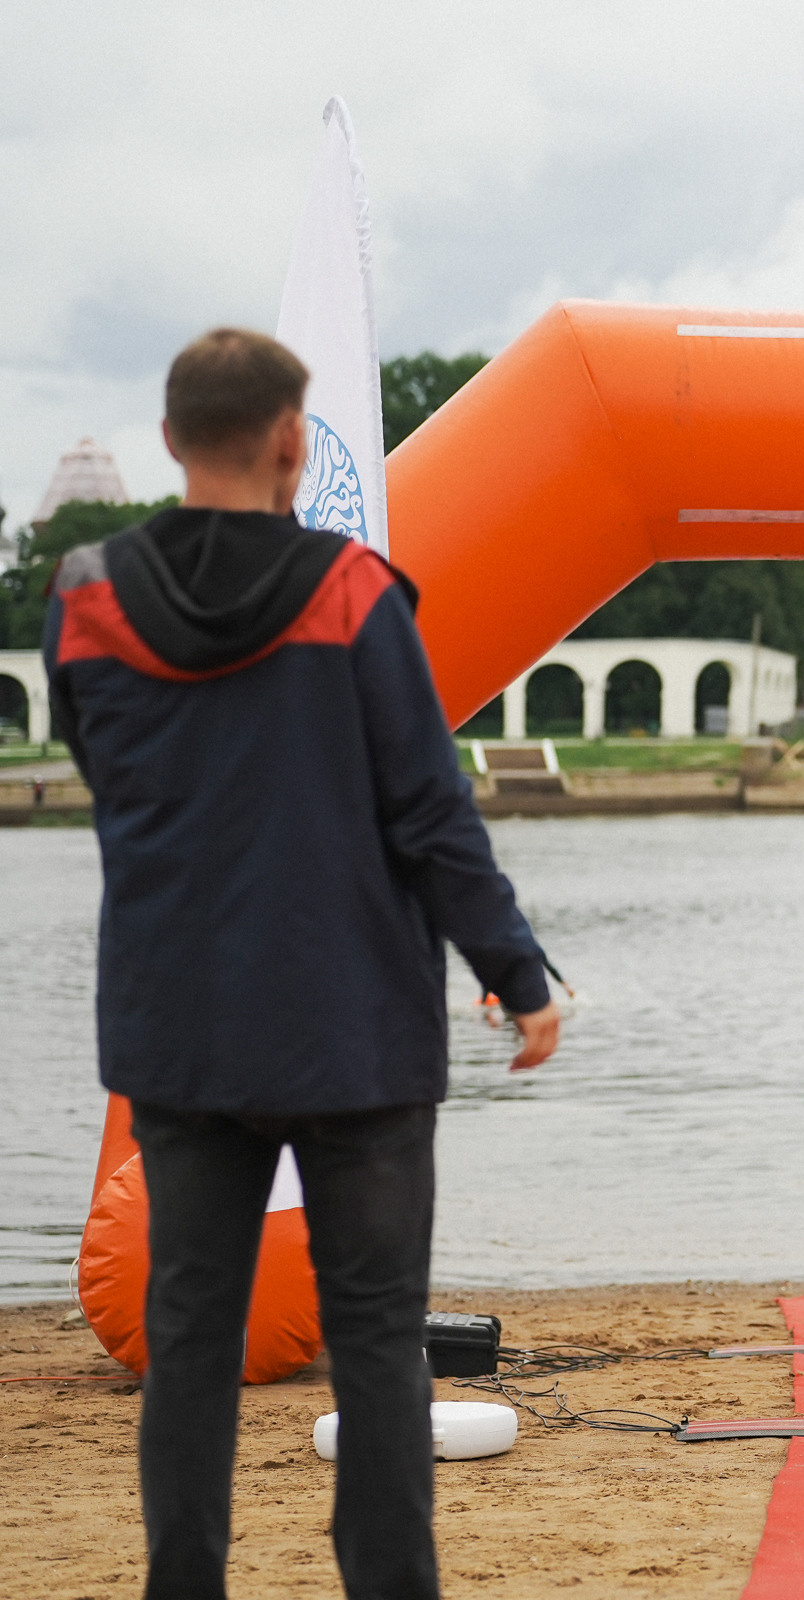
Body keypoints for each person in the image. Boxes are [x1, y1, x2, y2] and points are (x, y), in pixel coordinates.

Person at [43, 328, 560, 1598]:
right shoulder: (355, 593)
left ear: (168, 441)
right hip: (356, 1037)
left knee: (189, 1341)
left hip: (181, 1032)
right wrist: (517, 971)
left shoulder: (88, 596)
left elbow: (113, 781)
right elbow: (427, 813)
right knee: (379, 1340)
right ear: (291, 441)